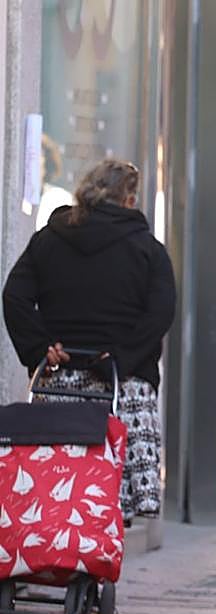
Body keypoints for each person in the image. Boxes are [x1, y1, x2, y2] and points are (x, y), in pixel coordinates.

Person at [4, 159, 176, 523]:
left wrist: (40, 347)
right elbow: (160, 314)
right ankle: (96, 558)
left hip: (58, 385)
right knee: (111, 498)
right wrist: (122, 357)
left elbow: (15, 296)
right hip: (121, 386)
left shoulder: (49, 240)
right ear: (129, 201)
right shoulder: (148, 251)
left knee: (54, 487)